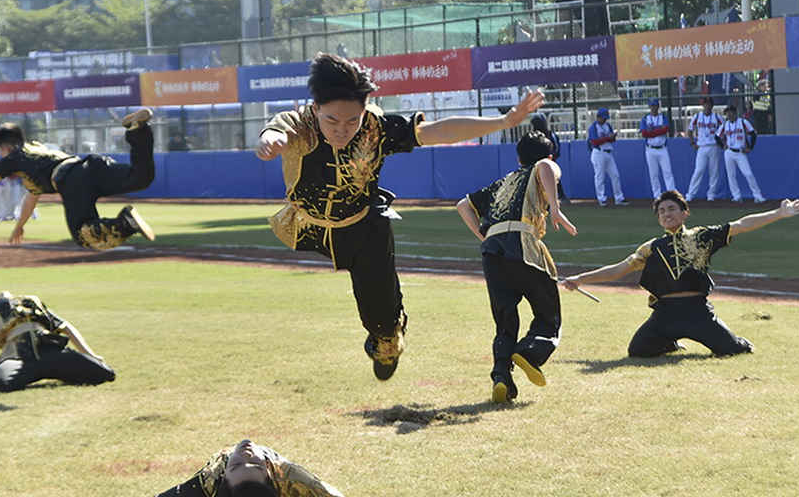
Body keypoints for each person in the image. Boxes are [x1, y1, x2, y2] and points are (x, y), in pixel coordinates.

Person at [255, 53, 543, 380]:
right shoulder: (300, 125)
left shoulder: (376, 128)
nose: (341, 131)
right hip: (311, 224)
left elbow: (435, 131)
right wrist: (271, 141)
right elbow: (276, 131)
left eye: (351, 122)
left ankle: (388, 337)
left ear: (365, 110)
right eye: (332, 121)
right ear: (316, 108)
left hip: (363, 226)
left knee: (381, 323)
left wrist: (504, 121)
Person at [561, 191, 799, 357]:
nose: (666, 214)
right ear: (658, 218)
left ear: (684, 213)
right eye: (661, 211)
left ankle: (734, 341)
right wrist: (580, 279)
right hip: (666, 313)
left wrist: (779, 213)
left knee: (732, 349)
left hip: (697, 311)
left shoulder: (701, 236)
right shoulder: (651, 247)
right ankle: (669, 342)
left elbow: (740, 225)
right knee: (638, 350)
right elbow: (619, 269)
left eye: (672, 209)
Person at [455, 131, 576, 402]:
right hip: (522, 243)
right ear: (550, 155)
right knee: (548, 315)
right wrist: (555, 208)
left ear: (519, 158)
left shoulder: (501, 182)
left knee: (505, 320)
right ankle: (529, 352)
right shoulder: (543, 166)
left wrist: (486, 236)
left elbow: (463, 206)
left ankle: (502, 377)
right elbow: (546, 167)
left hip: (492, 249)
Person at [0, 109, 156, 249]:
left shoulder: (13, 158)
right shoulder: (38, 149)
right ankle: (138, 130)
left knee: (83, 234)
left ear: (6, 147)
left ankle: (124, 222)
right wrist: (20, 225)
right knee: (140, 178)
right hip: (89, 165)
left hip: (72, 179)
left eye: (1, 151)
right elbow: (32, 196)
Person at [131, 439, 393, 497]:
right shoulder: (203, 488)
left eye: (254, 464)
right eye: (237, 464)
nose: (245, 453)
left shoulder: (290, 480)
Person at [717, 104, 766, 204]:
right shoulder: (725, 125)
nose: (729, 115)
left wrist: (750, 147)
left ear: (735, 113)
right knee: (731, 175)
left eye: (731, 112)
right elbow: (717, 136)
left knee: (748, 173)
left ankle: (757, 195)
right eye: (727, 113)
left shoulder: (743, 122)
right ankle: (736, 195)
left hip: (740, 152)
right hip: (729, 151)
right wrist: (722, 146)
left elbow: (753, 133)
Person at [684, 96, 723, 202]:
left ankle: (711, 194)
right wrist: (692, 142)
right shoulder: (697, 117)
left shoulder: (717, 117)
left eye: (709, 104)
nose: (707, 106)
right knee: (699, 170)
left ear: (712, 105)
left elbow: (724, 129)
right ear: (703, 105)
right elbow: (690, 130)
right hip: (702, 146)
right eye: (706, 104)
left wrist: (721, 141)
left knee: (714, 171)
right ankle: (690, 194)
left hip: (714, 145)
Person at [586, 107, 627, 206]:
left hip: (608, 152)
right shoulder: (594, 127)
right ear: (598, 117)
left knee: (615, 175)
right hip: (598, 152)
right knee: (600, 177)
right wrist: (607, 138)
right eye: (603, 118)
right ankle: (601, 199)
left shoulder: (607, 125)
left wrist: (612, 137)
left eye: (605, 118)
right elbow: (594, 142)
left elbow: (612, 140)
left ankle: (619, 198)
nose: (604, 120)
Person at [639, 97, 675, 199]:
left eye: (655, 105)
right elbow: (644, 134)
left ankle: (671, 195)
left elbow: (666, 130)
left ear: (658, 106)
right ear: (649, 107)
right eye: (652, 106)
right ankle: (657, 195)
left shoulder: (663, 117)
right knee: (653, 174)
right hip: (650, 149)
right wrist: (659, 131)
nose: (653, 108)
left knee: (667, 172)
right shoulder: (645, 119)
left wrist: (652, 132)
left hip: (662, 148)